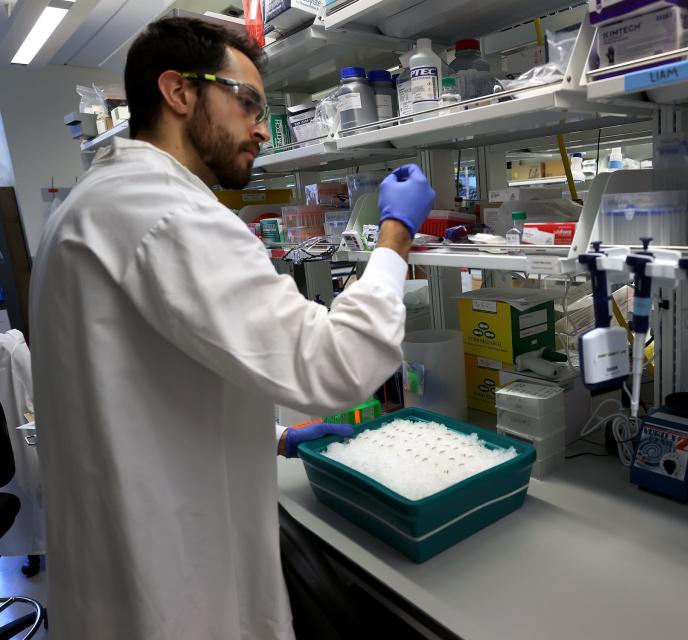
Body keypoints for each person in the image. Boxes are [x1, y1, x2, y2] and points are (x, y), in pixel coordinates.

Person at [29, 17, 435, 640]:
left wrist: (272, 437)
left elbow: (134, 378)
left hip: (108, 573)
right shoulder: (168, 211)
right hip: (173, 589)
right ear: (179, 92)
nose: (261, 128)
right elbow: (335, 364)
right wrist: (394, 239)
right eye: (245, 102)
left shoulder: (92, 202)